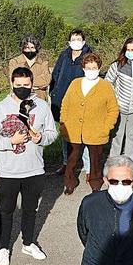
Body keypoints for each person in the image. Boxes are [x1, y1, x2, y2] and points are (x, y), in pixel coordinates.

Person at [0, 66, 58, 265]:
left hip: (34, 169)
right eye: (18, 85)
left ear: (32, 84)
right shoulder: (1, 107)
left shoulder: (42, 106)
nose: (22, 88)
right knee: (6, 210)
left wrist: (41, 137)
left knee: (30, 210)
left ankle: (28, 243)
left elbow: (53, 133)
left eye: (26, 85)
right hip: (8, 171)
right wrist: (11, 141)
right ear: (11, 83)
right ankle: (3, 248)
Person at [60, 53, 118, 195]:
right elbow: (65, 104)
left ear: (99, 68)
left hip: (96, 131)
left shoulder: (105, 86)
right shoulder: (75, 83)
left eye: (94, 67)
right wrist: (63, 122)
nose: (91, 70)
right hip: (73, 130)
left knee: (96, 161)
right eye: (88, 67)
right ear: (83, 68)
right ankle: (70, 182)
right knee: (72, 160)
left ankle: (95, 183)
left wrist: (107, 127)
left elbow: (113, 109)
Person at [50, 30, 94, 170]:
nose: (76, 42)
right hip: (63, 99)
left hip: (82, 100)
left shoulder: (89, 57)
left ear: (84, 41)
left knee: (85, 134)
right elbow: (56, 73)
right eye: (73, 39)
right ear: (69, 42)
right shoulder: (64, 55)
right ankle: (66, 163)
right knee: (66, 133)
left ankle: (88, 167)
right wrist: (54, 92)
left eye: (79, 39)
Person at [105, 38, 133, 160]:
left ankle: (130, 163)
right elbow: (108, 83)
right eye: (128, 49)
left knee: (132, 136)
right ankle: (113, 163)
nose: (130, 52)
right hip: (119, 108)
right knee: (117, 137)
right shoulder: (117, 65)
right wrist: (113, 101)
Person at [6, 35, 52, 101]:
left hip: (39, 99)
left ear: (37, 48)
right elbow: (13, 81)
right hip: (18, 99)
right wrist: (37, 85)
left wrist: (24, 83)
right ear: (22, 48)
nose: (29, 50)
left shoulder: (43, 63)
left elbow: (46, 81)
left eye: (32, 47)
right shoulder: (14, 62)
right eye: (27, 47)